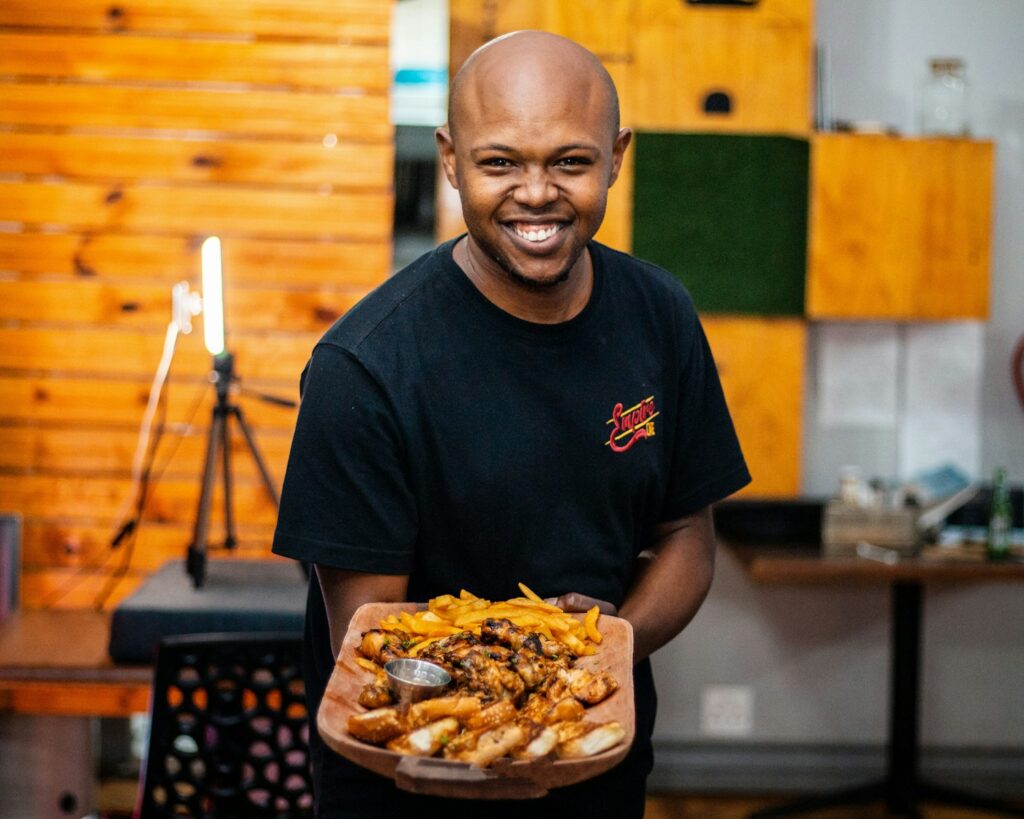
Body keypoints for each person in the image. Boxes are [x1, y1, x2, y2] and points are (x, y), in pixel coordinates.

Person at [272, 30, 750, 819]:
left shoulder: (659, 315)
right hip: (405, 784)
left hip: (597, 766)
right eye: (500, 163)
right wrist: (535, 674)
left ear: (616, 155)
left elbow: (686, 537)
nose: (537, 193)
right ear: (451, 160)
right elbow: (374, 642)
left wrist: (605, 647)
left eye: (570, 160)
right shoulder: (363, 367)